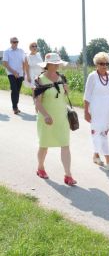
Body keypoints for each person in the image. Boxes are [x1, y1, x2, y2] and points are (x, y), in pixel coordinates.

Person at [33, 53, 76, 186]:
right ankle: (40, 167)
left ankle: (68, 175)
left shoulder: (62, 77)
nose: (57, 65)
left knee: (65, 145)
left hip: (61, 117)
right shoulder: (40, 80)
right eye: (55, 63)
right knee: (44, 146)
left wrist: (66, 89)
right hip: (46, 118)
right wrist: (46, 115)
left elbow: (65, 95)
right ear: (47, 65)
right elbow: (37, 102)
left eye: (58, 63)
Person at [84, 52, 109, 170]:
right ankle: (108, 159)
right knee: (98, 132)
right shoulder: (92, 76)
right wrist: (86, 111)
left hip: (107, 107)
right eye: (101, 63)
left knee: (104, 132)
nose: (104, 66)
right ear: (96, 64)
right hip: (96, 107)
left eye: (106, 63)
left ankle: (96, 155)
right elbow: (87, 95)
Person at [2, 37, 26, 114]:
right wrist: (14, 72)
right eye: (14, 42)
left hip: (20, 74)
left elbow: (24, 62)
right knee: (14, 89)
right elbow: (5, 63)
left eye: (16, 42)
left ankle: (16, 105)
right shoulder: (7, 51)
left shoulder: (21, 51)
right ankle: (14, 107)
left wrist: (24, 73)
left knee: (17, 91)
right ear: (11, 42)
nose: (15, 43)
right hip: (11, 73)